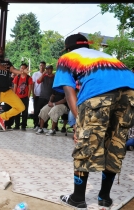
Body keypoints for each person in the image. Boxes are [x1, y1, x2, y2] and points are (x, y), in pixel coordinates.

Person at [53, 33, 134, 210]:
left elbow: (69, 91)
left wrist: (79, 125)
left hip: (99, 93)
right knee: (115, 142)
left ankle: (78, 198)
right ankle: (104, 197)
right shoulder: (105, 56)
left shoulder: (67, 58)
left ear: (68, 48)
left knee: (86, 144)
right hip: (130, 92)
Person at [12, 63, 33, 131]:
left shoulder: (29, 78)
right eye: (21, 68)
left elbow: (30, 88)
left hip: (25, 97)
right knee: (17, 111)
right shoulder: (17, 77)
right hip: (17, 97)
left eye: (24, 68)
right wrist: (14, 96)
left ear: (26, 69)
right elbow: (15, 87)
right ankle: (17, 125)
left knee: (25, 112)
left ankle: (23, 125)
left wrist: (28, 96)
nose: (22, 69)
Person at [35, 65, 55, 134]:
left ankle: (45, 127)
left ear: (52, 69)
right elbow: (38, 81)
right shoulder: (44, 76)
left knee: (47, 112)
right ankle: (38, 125)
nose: (48, 70)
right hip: (42, 96)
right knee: (39, 111)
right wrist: (43, 74)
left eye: (49, 69)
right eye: (47, 69)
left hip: (49, 98)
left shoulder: (54, 77)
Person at [32, 61, 46, 130]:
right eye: (40, 65)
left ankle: (44, 125)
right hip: (37, 94)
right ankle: (35, 124)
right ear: (39, 66)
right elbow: (33, 84)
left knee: (44, 111)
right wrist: (33, 93)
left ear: (45, 66)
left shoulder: (46, 74)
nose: (42, 67)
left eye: (43, 65)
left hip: (44, 95)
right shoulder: (35, 74)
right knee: (36, 110)